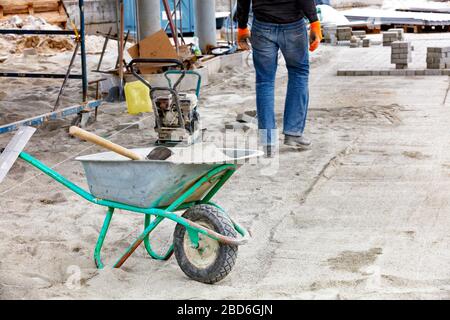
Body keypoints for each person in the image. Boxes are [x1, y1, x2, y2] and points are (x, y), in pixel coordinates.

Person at [236, 0, 322, 157]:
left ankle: (268, 142)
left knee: (264, 81)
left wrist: (242, 26)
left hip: (262, 25)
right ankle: (293, 133)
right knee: (298, 73)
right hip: (293, 25)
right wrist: (314, 21)